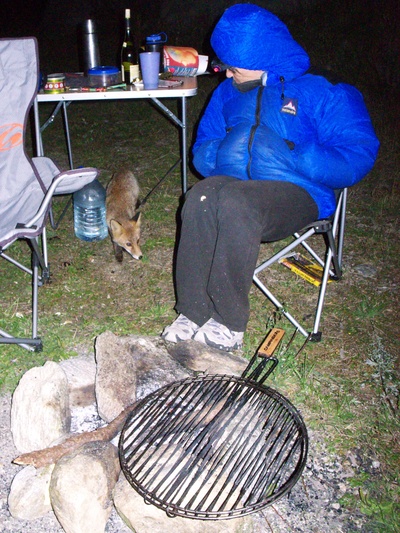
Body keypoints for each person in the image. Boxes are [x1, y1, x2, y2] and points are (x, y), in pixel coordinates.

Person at [161, 3, 379, 351]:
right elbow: (204, 146)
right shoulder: (226, 94)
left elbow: (359, 149)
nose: (226, 74)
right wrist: (220, 155)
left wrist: (305, 157)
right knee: (199, 196)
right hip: (236, 181)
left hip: (297, 190)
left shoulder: (321, 90)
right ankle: (193, 311)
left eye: (233, 67)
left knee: (235, 203)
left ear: (262, 56)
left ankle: (227, 324)